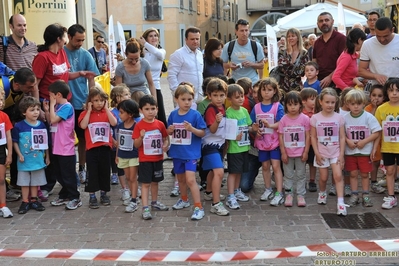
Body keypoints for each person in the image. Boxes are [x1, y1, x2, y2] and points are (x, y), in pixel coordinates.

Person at [64, 24, 99, 185]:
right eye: (78, 40)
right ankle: (68, 170)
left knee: (83, 139)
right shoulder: (61, 53)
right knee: (66, 139)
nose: (80, 43)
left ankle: (82, 168)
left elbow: (92, 78)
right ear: (69, 37)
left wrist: (91, 100)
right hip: (63, 105)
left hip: (80, 103)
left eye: (83, 40)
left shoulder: (86, 55)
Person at [167, 83, 206, 220]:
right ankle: (184, 199)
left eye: (189, 99)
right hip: (177, 153)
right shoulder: (172, 115)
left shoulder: (195, 115)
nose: (187, 102)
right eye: (183, 99)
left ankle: (198, 207)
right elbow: (168, 132)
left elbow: (202, 133)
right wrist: (169, 131)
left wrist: (192, 130)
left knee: (190, 180)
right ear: (176, 99)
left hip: (191, 154)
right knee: (181, 179)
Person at [43, 80, 81, 210]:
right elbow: (51, 121)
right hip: (56, 147)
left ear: (58, 95)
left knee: (67, 174)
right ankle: (65, 194)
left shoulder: (67, 107)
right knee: (59, 173)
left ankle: (75, 196)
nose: (50, 97)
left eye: (51, 95)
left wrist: (52, 105)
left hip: (65, 148)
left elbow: (54, 119)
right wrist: (48, 110)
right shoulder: (58, 107)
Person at [32, 23, 95, 102]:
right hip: (49, 103)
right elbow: (34, 85)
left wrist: (80, 73)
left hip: (65, 102)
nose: (65, 40)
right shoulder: (42, 57)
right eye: (64, 37)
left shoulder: (62, 52)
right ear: (59, 39)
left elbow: (65, 75)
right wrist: (37, 106)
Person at [78, 87, 117, 209]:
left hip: (105, 147)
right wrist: (89, 111)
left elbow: (114, 123)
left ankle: (104, 193)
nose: (99, 103)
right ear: (90, 101)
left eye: (101, 100)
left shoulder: (107, 113)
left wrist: (106, 109)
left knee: (105, 171)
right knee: (93, 172)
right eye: (95, 100)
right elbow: (83, 125)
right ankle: (92, 195)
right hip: (92, 149)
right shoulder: (85, 114)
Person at [310, 88, 347, 216]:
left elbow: (342, 137)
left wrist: (341, 155)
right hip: (322, 152)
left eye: (332, 102)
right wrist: (317, 153)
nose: (330, 105)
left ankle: (341, 203)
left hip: (335, 152)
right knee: (324, 178)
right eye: (327, 102)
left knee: (338, 175)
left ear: (336, 102)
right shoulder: (315, 118)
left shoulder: (339, 118)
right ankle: (322, 192)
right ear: (321, 102)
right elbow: (313, 137)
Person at [133, 95, 169, 220]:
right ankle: (145, 207)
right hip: (145, 160)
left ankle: (154, 202)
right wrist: (141, 137)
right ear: (141, 110)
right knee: (145, 184)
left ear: (157, 109)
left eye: (153, 108)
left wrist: (165, 146)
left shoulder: (160, 124)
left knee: (155, 182)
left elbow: (165, 139)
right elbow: (136, 145)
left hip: (158, 159)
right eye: (147, 109)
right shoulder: (139, 126)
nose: (150, 111)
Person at [343, 89, 381, 208]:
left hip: (365, 152)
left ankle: (365, 195)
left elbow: (377, 132)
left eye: (358, 104)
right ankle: (354, 195)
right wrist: (347, 140)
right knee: (353, 174)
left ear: (363, 103)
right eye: (352, 104)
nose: (355, 107)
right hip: (351, 152)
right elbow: (340, 133)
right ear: (347, 104)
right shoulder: (344, 118)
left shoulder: (368, 117)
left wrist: (364, 141)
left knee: (365, 174)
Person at [12, 97, 49, 214]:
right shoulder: (19, 126)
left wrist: (47, 156)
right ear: (24, 112)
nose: (36, 112)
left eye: (38, 109)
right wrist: (19, 154)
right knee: (24, 181)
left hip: (37, 159)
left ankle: (34, 199)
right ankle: (25, 201)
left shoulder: (42, 125)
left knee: (35, 181)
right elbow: (15, 142)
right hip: (24, 159)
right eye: (32, 110)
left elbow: (45, 142)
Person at [251, 78, 284, 206]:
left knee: (276, 166)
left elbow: (281, 123)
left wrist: (270, 126)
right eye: (264, 90)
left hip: (274, 142)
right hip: (262, 142)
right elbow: (252, 124)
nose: (266, 93)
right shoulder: (257, 107)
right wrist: (255, 130)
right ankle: (267, 188)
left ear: (274, 91)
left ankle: (279, 192)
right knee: (265, 167)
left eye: (269, 90)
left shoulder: (277, 106)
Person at [201, 78, 229, 216]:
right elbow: (212, 130)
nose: (219, 98)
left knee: (213, 171)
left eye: (222, 95)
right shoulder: (211, 110)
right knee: (219, 172)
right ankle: (216, 204)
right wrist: (217, 122)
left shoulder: (222, 107)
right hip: (209, 145)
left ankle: (209, 192)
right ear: (209, 95)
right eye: (215, 95)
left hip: (219, 145)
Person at [225, 84, 252, 210]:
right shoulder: (228, 113)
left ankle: (236, 191)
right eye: (237, 97)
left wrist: (254, 129)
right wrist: (233, 137)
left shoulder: (245, 111)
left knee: (240, 171)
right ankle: (230, 196)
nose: (241, 99)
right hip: (234, 149)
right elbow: (227, 132)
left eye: (242, 96)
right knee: (233, 172)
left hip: (244, 147)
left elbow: (248, 126)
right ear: (229, 98)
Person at [375, 78, 399, 209]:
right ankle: (391, 196)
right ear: (387, 92)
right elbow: (377, 131)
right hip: (388, 147)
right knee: (389, 171)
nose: (394, 93)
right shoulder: (381, 109)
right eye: (391, 90)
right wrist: (374, 148)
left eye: (397, 90)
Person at [115, 99, 141, 213]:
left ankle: (134, 200)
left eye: (121, 112)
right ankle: (133, 194)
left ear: (130, 114)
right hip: (123, 155)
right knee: (128, 178)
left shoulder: (136, 126)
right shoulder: (120, 126)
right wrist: (117, 155)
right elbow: (118, 143)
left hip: (134, 155)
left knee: (133, 177)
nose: (119, 115)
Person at [138, 28, 167, 127]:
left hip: (156, 86)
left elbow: (158, 54)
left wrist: (145, 44)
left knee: (159, 115)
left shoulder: (161, 51)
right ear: (146, 38)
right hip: (143, 87)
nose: (154, 38)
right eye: (151, 36)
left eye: (155, 36)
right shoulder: (142, 53)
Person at [358, 17, 399, 86]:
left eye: (385, 36)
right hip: (378, 89)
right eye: (378, 36)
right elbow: (361, 71)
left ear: (392, 30)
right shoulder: (367, 44)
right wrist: (375, 76)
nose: (382, 39)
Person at [221, 19, 264, 84]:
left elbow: (262, 65)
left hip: (252, 83)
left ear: (249, 31)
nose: (244, 33)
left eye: (246, 30)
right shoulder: (228, 46)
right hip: (236, 83)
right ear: (236, 31)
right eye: (241, 31)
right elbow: (222, 64)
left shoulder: (256, 46)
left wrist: (251, 64)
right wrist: (230, 65)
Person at [168, 27, 203, 103]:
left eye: (197, 39)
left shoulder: (200, 54)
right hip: (183, 98)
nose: (195, 41)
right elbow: (171, 75)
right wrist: (177, 94)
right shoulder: (178, 54)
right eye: (192, 39)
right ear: (186, 39)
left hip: (198, 97)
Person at [312, 12, 346, 89]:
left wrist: (330, 77)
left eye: (326, 20)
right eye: (321, 21)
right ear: (317, 24)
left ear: (332, 21)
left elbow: (344, 63)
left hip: (337, 83)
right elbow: (314, 61)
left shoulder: (341, 39)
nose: (324, 22)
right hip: (320, 83)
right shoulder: (317, 42)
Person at [239, 80, 262, 193]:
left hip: (273, 148)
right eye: (254, 92)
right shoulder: (250, 107)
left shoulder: (277, 107)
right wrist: (253, 131)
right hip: (254, 151)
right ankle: (253, 170)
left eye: (260, 92)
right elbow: (247, 126)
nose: (256, 95)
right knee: (244, 186)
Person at [109, 85, 131, 194]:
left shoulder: (130, 111)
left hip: (129, 145)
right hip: (116, 144)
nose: (129, 96)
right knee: (118, 164)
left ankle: (132, 186)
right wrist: (113, 141)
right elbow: (109, 128)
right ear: (118, 98)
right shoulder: (113, 113)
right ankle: (124, 188)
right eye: (126, 94)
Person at [364, 84, 386, 194]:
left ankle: (390, 179)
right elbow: (369, 120)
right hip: (374, 138)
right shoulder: (367, 108)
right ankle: (373, 181)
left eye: (379, 96)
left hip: (385, 139)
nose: (376, 98)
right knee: (375, 160)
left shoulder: (385, 107)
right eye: (374, 95)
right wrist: (374, 108)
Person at [277, 28, 308, 93]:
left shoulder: (304, 53)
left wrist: (288, 69)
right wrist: (289, 54)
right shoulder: (282, 51)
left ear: (298, 38)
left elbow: (301, 72)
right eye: (288, 36)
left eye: (293, 36)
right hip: (282, 87)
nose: (290, 38)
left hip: (296, 87)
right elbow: (281, 68)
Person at [300, 88, 318, 192]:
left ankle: (312, 180)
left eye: (316, 98)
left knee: (312, 162)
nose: (315, 101)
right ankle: (301, 180)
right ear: (303, 101)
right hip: (302, 143)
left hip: (313, 143)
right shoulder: (300, 113)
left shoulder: (318, 113)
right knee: (301, 162)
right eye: (312, 99)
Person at [0, 88, 13, 218]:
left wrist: (9, 154)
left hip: (1, 151)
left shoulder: (4, 116)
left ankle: (3, 205)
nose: (0, 102)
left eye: (1, 99)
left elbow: (9, 137)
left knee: (1, 179)